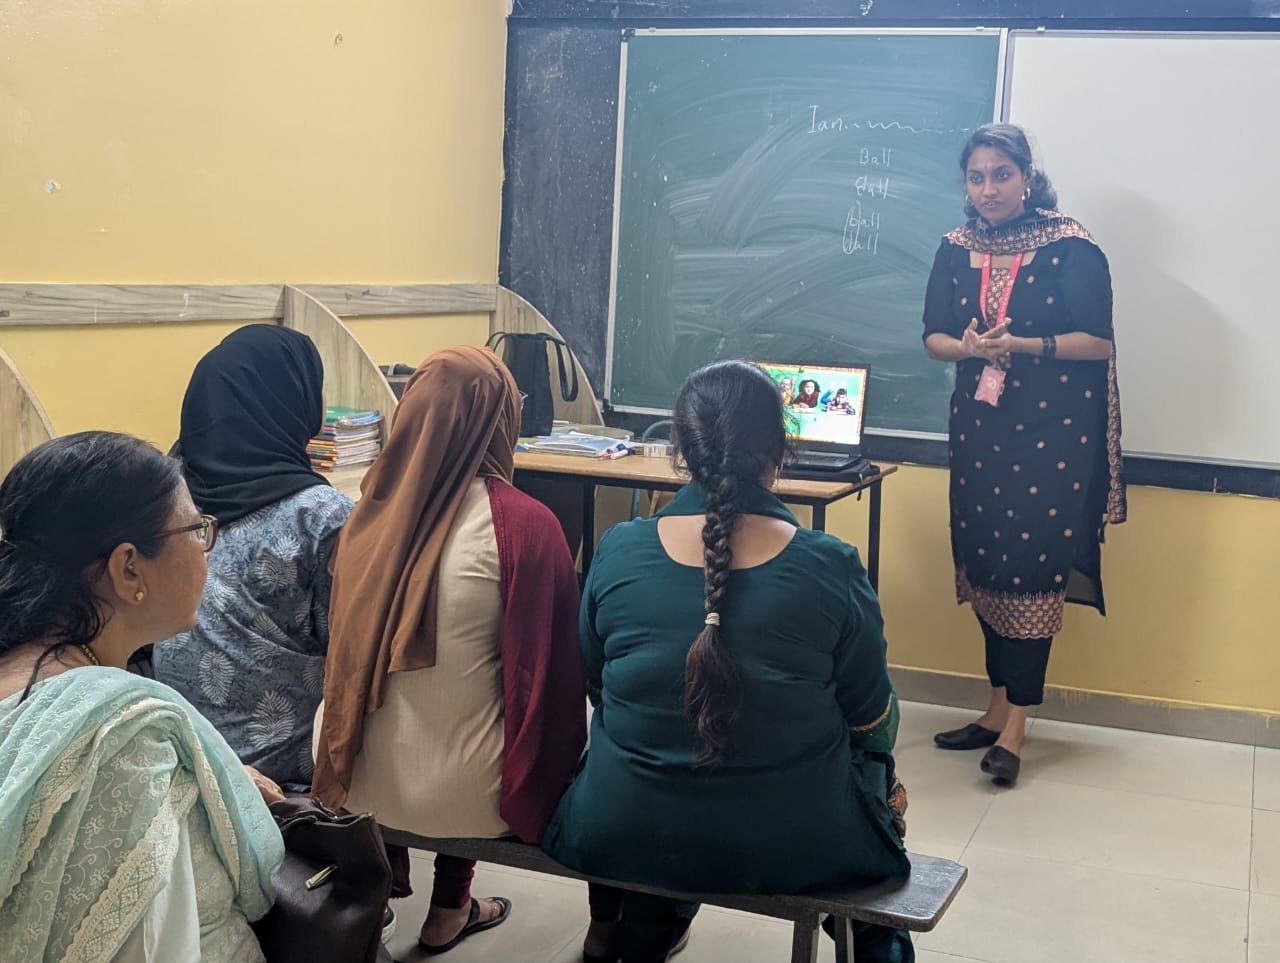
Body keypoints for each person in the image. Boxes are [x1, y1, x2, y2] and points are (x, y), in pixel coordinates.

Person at [542, 361, 913, 963]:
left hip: (623, 827)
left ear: (678, 450)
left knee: (672, 803)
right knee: (873, 763)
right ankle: (875, 944)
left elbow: (595, 685)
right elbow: (872, 716)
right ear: (781, 451)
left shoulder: (619, 548)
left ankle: (642, 931)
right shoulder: (830, 564)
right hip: (798, 838)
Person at [312, 346, 587, 956]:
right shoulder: (525, 525)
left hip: (348, 776)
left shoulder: (364, 515)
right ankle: (451, 905)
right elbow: (552, 683)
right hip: (472, 800)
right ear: (498, 421)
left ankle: (391, 887)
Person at [0, 432, 284, 962]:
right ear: (129, 567)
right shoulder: (122, 742)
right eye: (196, 529)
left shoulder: (41, 686)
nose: (205, 548)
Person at [922, 123, 1126, 786]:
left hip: (1054, 435)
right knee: (984, 560)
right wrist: (971, 348)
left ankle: (1016, 728)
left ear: (1028, 176)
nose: (989, 190)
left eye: (1001, 175)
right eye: (977, 176)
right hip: (980, 429)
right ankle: (993, 707)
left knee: (1032, 568)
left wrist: (1026, 346)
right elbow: (933, 336)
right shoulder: (955, 249)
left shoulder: (1071, 246)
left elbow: (1096, 342)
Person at [154, 325, 353, 792]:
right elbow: (353, 654)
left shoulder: (166, 490)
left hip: (175, 748)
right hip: (281, 770)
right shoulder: (323, 519)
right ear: (295, 401)